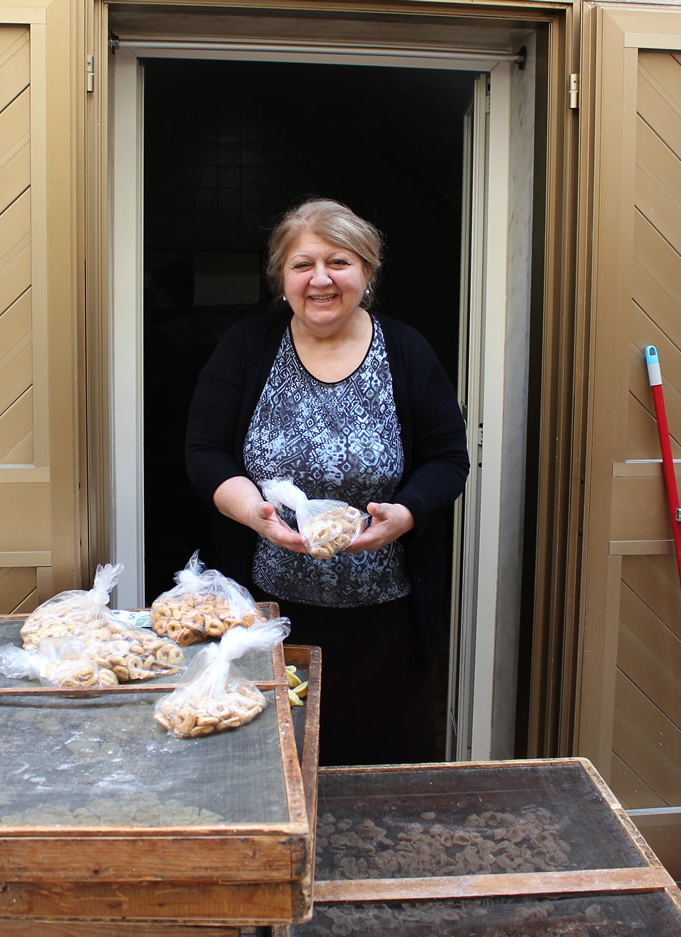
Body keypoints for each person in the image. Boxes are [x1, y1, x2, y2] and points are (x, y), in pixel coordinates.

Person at [185, 198, 470, 766]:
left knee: (376, 763)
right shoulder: (248, 347)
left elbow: (448, 458)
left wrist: (406, 514)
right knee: (275, 756)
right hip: (265, 618)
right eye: (302, 264)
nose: (320, 279)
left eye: (339, 262)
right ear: (282, 278)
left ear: (367, 271)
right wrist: (254, 514)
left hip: (386, 617)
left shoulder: (406, 351)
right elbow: (206, 452)